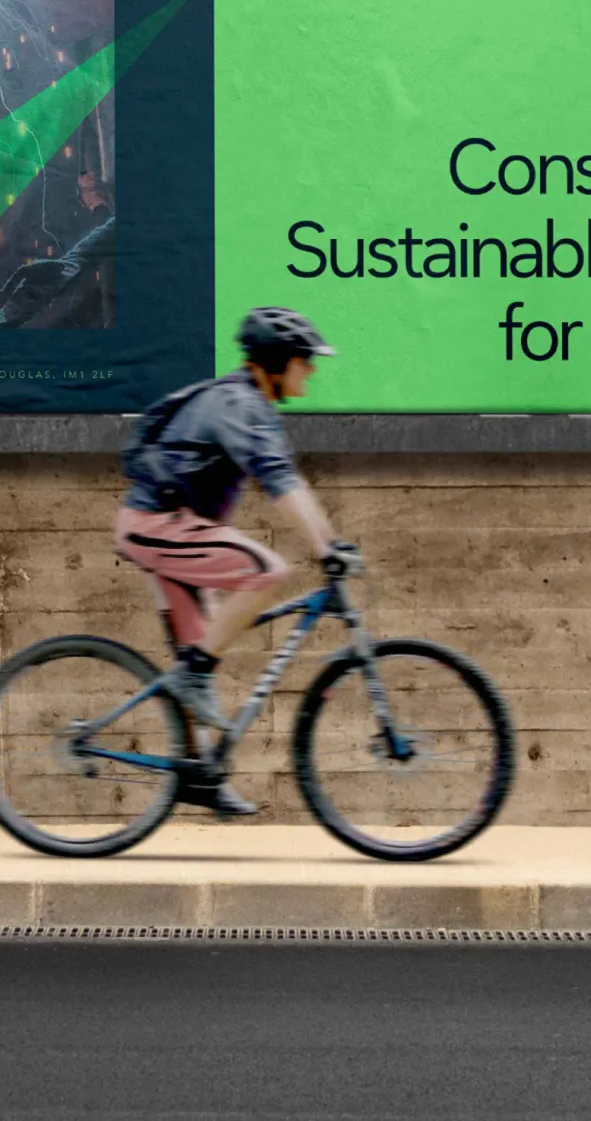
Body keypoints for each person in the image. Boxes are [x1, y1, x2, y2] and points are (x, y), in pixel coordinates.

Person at [115, 307, 356, 817]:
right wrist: (323, 548)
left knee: (197, 649)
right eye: (304, 360)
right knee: (266, 572)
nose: (311, 369)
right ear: (276, 361)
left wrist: (332, 541)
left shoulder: (250, 404)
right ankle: (194, 676)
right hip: (158, 525)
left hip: (171, 530)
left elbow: (289, 478)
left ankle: (198, 774)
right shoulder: (237, 403)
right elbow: (279, 483)